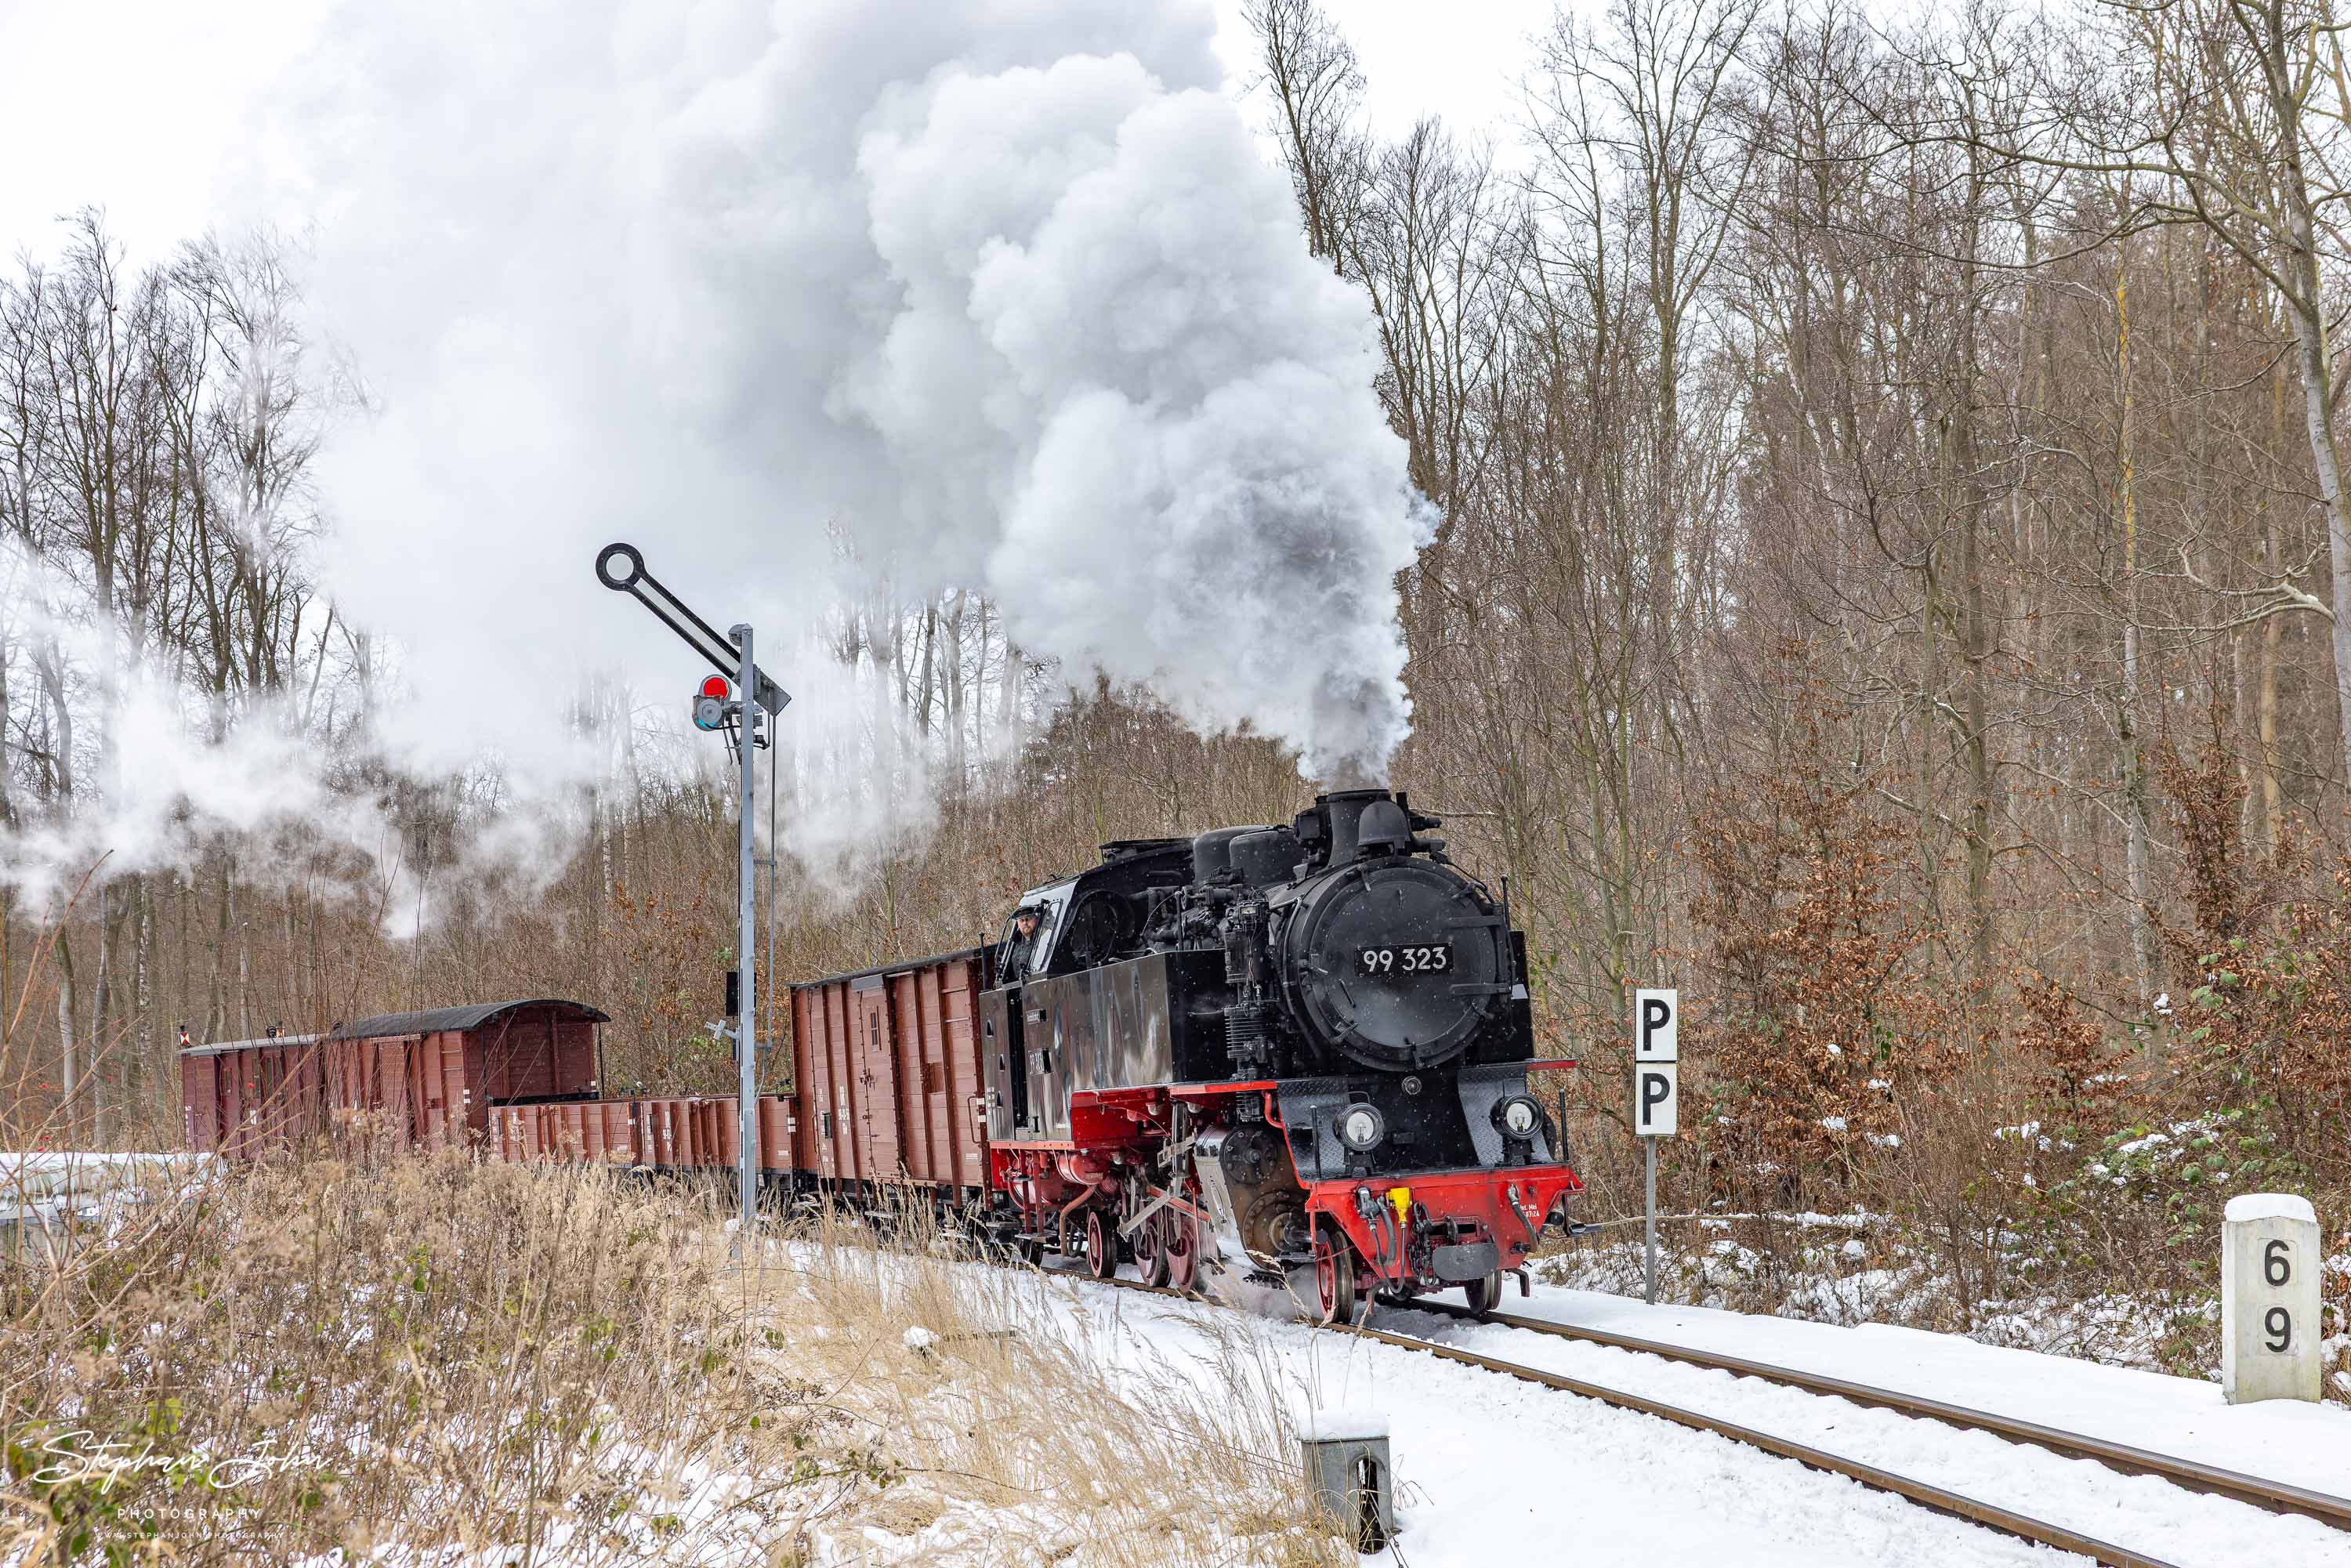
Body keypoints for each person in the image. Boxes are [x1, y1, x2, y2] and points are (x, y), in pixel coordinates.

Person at [1002, 907, 1043, 978]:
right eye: (1022, 920)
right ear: (1018, 923)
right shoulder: (1016, 943)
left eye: (1028, 919)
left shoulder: (1043, 938)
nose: (1025, 923)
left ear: (1036, 919)